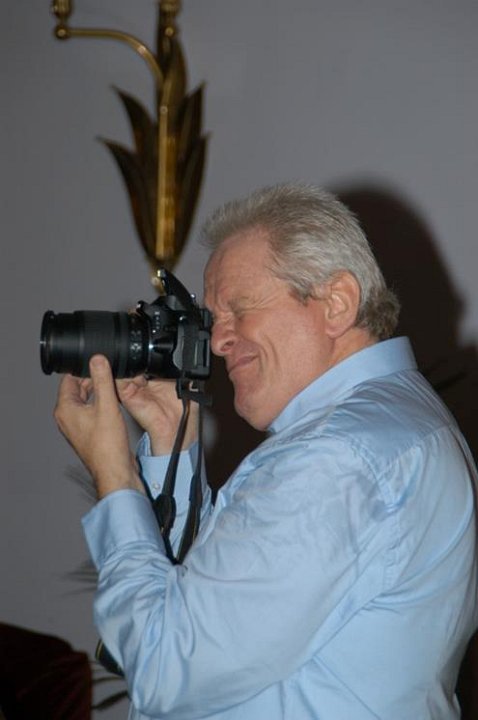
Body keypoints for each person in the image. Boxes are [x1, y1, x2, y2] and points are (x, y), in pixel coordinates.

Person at [54, 183, 478, 720]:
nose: (218, 341)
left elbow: (165, 666)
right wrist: (169, 442)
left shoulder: (338, 457)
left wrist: (115, 474)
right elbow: (210, 606)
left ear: (337, 302)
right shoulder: (390, 425)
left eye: (240, 308)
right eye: (215, 319)